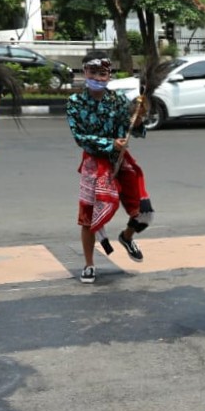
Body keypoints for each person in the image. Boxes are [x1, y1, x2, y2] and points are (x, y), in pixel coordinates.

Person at [66, 51, 152, 284]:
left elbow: (133, 128)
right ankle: (89, 264)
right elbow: (80, 137)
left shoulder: (117, 100)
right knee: (88, 217)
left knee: (144, 211)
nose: (97, 77)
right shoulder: (75, 103)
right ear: (84, 72)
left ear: (109, 75)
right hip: (94, 163)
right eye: (92, 72)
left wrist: (140, 116)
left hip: (119, 158)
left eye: (102, 73)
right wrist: (108, 143)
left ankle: (127, 236)